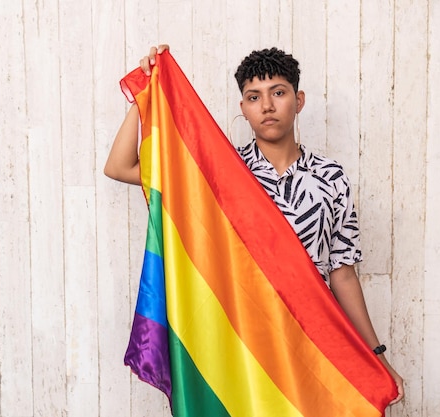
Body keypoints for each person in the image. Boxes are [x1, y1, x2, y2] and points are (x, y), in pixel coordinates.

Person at [105, 44, 404, 405]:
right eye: (254, 97)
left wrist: (377, 355)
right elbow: (120, 167)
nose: (267, 106)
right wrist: (148, 93)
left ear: (299, 100)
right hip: (247, 342)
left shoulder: (331, 177)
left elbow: (342, 273)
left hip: (318, 343)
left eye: (278, 93)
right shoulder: (220, 175)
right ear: (243, 108)